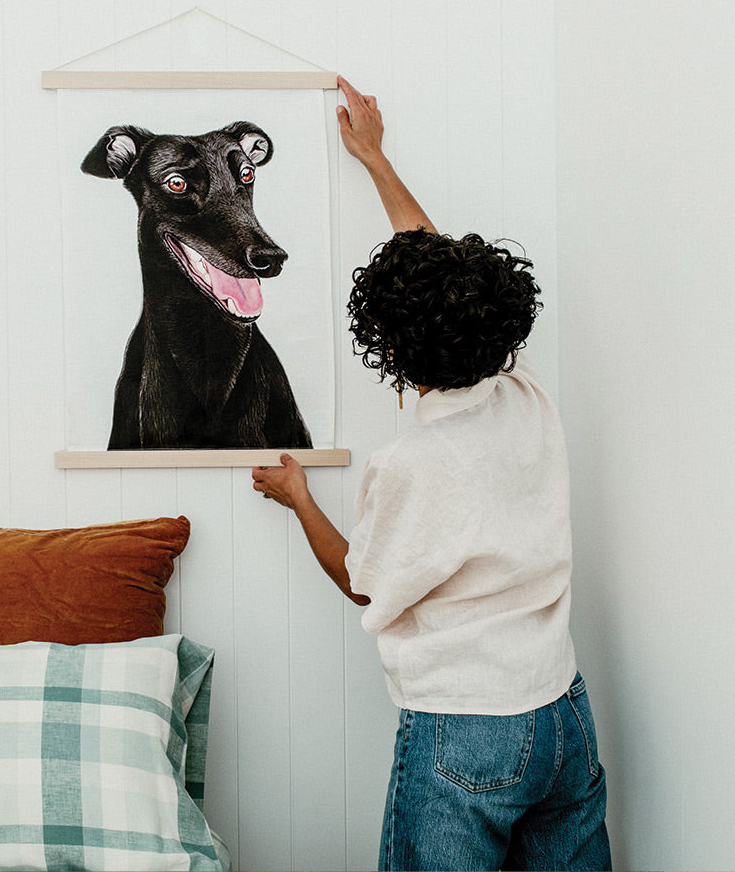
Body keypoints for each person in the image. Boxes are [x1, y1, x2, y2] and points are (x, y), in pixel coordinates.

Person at [251, 76, 611, 871]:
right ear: (496, 327)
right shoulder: (525, 399)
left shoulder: (410, 461)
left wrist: (300, 498)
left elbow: (362, 581)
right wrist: (377, 162)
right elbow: (448, 284)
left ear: (391, 349)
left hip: (465, 732)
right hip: (559, 711)